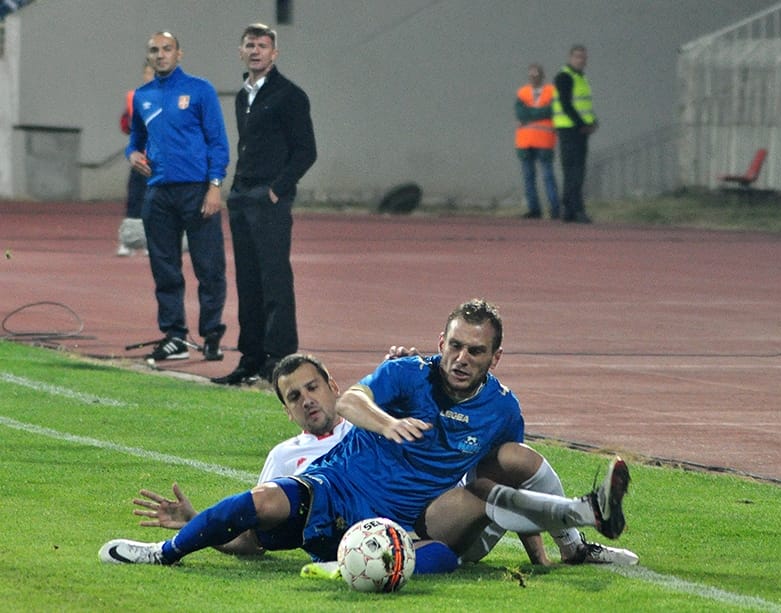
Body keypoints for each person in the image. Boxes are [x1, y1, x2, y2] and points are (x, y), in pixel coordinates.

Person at [99, 299, 634, 569]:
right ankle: (162, 553)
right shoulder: (404, 375)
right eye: (454, 346)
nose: (461, 358)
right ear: (440, 342)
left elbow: (496, 482)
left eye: (475, 350)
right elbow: (354, 401)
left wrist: (536, 549)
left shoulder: (502, 408)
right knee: (261, 500)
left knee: (493, 480)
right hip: (335, 496)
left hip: (418, 520)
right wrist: (388, 422)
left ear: (495, 356)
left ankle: (578, 529)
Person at [132, 354, 354, 557]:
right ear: (287, 411)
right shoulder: (283, 457)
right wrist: (196, 522)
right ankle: (167, 551)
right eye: (294, 397)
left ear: (333, 386)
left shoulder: (367, 431)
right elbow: (252, 541)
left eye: (312, 388)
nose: (307, 401)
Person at [211, 24, 317, 386]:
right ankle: (251, 357)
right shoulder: (244, 95)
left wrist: (277, 189)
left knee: (275, 281)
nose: (256, 51)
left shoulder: (290, 95)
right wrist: (237, 189)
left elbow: (306, 151)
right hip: (242, 198)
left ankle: (280, 359)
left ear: (274, 53)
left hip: (268, 201)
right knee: (248, 282)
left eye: (263, 45)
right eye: (250, 45)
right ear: (241, 51)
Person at [126, 31, 230, 364]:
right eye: (154, 50)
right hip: (157, 193)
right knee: (165, 268)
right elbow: (135, 139)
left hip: (197, 190)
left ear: (179, 53)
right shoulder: (143, 96)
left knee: (209, 267)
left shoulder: (200, 90)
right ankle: (175, 335)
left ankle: (212, 333)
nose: (160, 55)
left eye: (166, 49)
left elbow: (218, 141)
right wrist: (132, 155)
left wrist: (215, 185)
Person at [552, 44, 597, 224]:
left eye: (583, 57)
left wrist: (593, 121)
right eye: (578, 57)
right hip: (569, 129)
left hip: (579, 129)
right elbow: (565, 104)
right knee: (574, 171)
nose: (581, 60)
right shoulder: (564, 77)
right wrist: (581, 124)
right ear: (570, 58)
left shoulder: (581, 78)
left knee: (575, 170)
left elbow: (585, 105)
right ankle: (576, 209)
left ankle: (569, 209)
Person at [117, 61, 155, 257]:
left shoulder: (166, 97)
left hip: (158, 161)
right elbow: (125, 125)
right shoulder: (135, 98)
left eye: (153, 73)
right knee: (134, 198)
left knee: (155, 202)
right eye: (147, 73)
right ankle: (129, 241)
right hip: (139, 160)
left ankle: (151, 240)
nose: (149, 76)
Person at [515, 63, 560, 220]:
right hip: (525, 142)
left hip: (544, 141)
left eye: (536, 74)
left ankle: (555, 209)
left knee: (548, 175)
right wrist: (540, 113)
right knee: (528, 177)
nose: (534, 77)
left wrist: (531, 113)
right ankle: (534, 209)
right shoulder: (522, 92)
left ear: (542, 76)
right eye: (531, 74)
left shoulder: (552, 91)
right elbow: (520, 113)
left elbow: (552, 110)